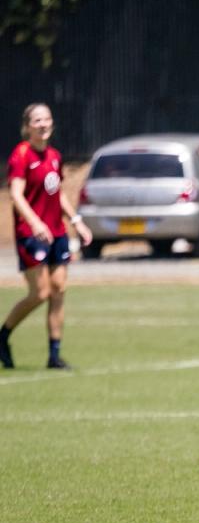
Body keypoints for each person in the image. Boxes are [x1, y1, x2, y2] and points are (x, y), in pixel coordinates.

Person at [1, 103, 92, 370]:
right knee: (40, 293)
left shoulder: (54, 155)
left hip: (57, 232)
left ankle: (54, 355)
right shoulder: (22, 155)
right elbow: (16, 194)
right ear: (27, 126)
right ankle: (3, 335)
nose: (43, 124)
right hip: (31, 233)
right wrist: (35, 221)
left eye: (47, 119)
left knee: (59, 290)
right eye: (37, 120)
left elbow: (59, 193)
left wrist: (77, 221)